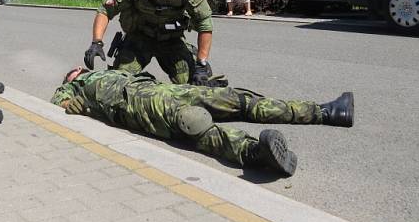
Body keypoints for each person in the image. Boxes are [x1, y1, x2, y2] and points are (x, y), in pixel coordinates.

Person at [52, 67, 354, 177]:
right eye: (73, 72)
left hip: (168, 90)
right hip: (141, 105)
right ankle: (258, 154)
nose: (76, 70)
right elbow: (56, 101)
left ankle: (326, 112)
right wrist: (70, 102)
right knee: (194, 125)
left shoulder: (112, 71)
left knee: (238, 100)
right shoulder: (78, 86)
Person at [84, 0, 218, 86]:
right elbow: (105, 10)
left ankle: (191, 57)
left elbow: (204, 21)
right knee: (118, 84)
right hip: (139, 39)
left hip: (171, 40)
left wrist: (201, 63)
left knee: (195, 83)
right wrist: (96, 42)